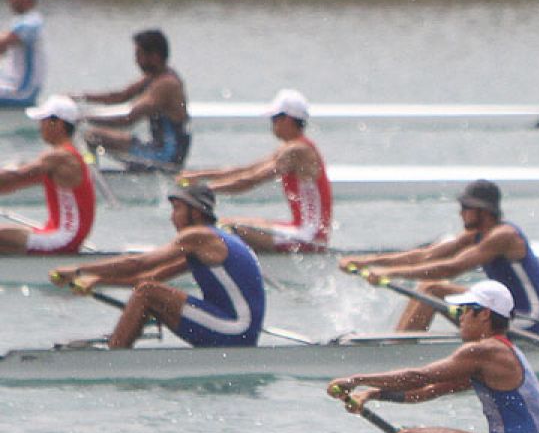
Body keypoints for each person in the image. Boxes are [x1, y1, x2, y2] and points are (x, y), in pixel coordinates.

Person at [327, 280, 539, 433]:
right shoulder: (498, 354)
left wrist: (355, 379)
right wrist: (372, 394)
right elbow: (427, 390)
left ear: (484, 314)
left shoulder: (487, 351)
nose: (459, 317)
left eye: (464, 310)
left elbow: (418, 377)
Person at [49, 182, 265, 349]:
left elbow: (138, 263)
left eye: (178, 209)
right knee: (148, 289)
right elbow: (146, 277)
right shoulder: (208, 244)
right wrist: (100, 280)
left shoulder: (199, 236)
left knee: (147, 293)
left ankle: (114, 357)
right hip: (237, 329)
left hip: (235, 329)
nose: (173, 217)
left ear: (196, 212)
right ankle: (119, 348)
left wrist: (80, 270)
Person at [340, 179, 539, 336]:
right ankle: (399, 340)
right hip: (502, 312)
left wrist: (390, 273)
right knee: (429, 286)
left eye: (465, 208)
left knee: (433, 289)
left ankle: (398, 350)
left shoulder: (503, 236)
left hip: (527, 321)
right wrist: (367, 261)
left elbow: (451, 268)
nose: (460, 213)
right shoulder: (478, 234)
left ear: (483, 211)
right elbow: (426, 255)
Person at [179, 89, 332, 253]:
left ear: (287, 119)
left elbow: (251, 180)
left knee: (227, 227)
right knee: (226, 223)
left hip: (309, 236)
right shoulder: (292, 147)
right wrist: (198, 177)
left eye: (274, 119)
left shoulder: (298, 151)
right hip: (300, 229)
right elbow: (246, 170)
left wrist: (206, 189)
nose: (272, 124)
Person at [74, 29, 190, 171]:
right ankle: (91, 173)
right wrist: (78, 97)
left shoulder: (166, 84)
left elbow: (128, 119)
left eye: (138, 54)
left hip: (165, 156)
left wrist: (82, 118)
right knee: (93, 134)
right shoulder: (155, 77)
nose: (136, 60)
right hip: (156, 147)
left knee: (91, 135)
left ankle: (89, 176)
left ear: (154, 56)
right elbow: (120, 96)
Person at [0, 95, 95, 254]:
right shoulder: (64, 156)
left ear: (56, 123)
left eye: (42, 120)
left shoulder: (60, 157)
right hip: (61, 234)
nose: (39, 126)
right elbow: (11, 184)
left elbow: (15, 177)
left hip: (63, 238)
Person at [0, 0, 45, 107]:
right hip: (12, 83)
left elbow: (2, 42)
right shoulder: (22, 21)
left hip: (23, 91)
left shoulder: (32, 22)